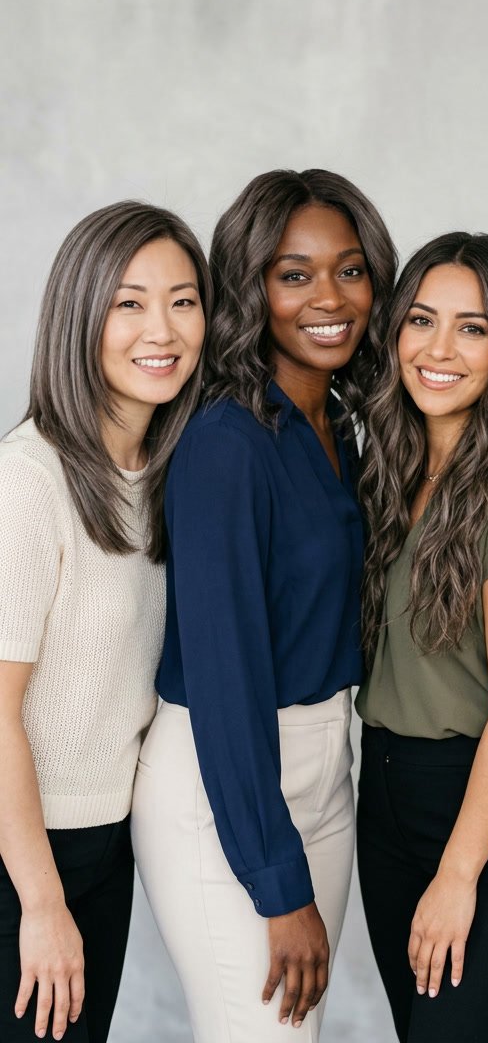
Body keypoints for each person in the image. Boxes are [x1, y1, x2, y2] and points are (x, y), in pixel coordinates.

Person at [131, 168, 396, 1042]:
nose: (329, 297)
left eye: (350, 270)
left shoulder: (337, 427)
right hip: (228, 782)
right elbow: (226, 677)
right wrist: (278, 883)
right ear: (252, 288)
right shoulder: (226, 444)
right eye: (295, 274)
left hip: (326, 767)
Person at [355, 231, 488, 1043]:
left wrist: (457, 874)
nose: (439, 349)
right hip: (384, 801)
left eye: (473, 328)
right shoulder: (395, 464)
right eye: (421, 320)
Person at [0, 202, 209, 1043]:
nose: (161, 329)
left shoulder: (163, 478)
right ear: (81, 313)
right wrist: (41, 903)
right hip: (22, 857)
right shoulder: (29, 481)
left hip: (103, 845)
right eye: (129, 302)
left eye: (184, 300)